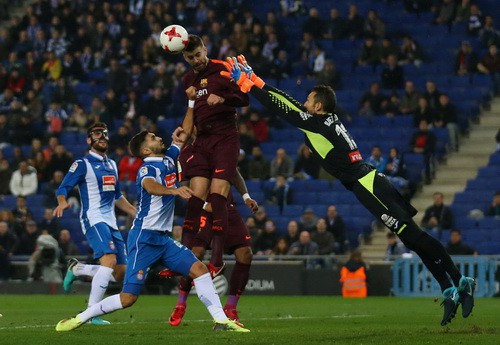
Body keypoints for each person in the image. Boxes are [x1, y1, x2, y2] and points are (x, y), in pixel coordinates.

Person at [221, 54, 476, 326]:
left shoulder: (317, 124)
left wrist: (250, 86)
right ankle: (447, 288)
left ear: (318, 106)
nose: (304, 104)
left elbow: (284, 109)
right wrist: (257, 79)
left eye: (309, 101)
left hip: (368, 185)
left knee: (414, 235)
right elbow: (292, 105)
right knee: (411, 238)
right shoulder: (325, 120)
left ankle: (460, 281)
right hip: (370, 181)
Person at [55, 127, 248, 333]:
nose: (158, 137)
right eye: (153, 138)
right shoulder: (146, 169)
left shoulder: (167, 160)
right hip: (143, 239)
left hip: (163, 240)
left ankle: (221, 321)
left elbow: (181, 136)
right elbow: (150, 186)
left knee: (199, 270)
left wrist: (192, 100)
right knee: (128, 298)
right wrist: (173, 190)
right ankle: (81, 318)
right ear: (146, 151)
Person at [175, 34, 250, 276]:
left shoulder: (223, 69)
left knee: (217, 198)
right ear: (185, 58)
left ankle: (216, 260)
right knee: (197, 200)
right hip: (202, 141)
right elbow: (193, 112)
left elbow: (245, 98)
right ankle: (184, 258)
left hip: (225, 137)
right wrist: (185, 129)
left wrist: (225, 97)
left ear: (205, 49)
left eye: (198, 55)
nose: (195, 60)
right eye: (190, 57)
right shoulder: (188, 80)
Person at [163, 138, 258, 327]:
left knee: (245, 255)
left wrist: (246, 196)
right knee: (195, 255)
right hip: (203, 210)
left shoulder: (221, 145)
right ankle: (181, 303)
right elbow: (184, 186)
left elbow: (234, 172)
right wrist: (204, 204)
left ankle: (230, 309)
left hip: (226, 208)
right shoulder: (187, 153)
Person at [53, 122, 136, 325]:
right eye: (97, 134)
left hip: (111, 221)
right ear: (89, 140)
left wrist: (135, 212)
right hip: (93, 217)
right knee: (108, 261)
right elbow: (63, 188)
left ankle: (78, 269)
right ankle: (92, 313)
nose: (102, 137)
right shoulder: (83, 164)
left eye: (105, 134)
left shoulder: (112, 164)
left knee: (120, 273)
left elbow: (117, 197)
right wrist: (62, 202)